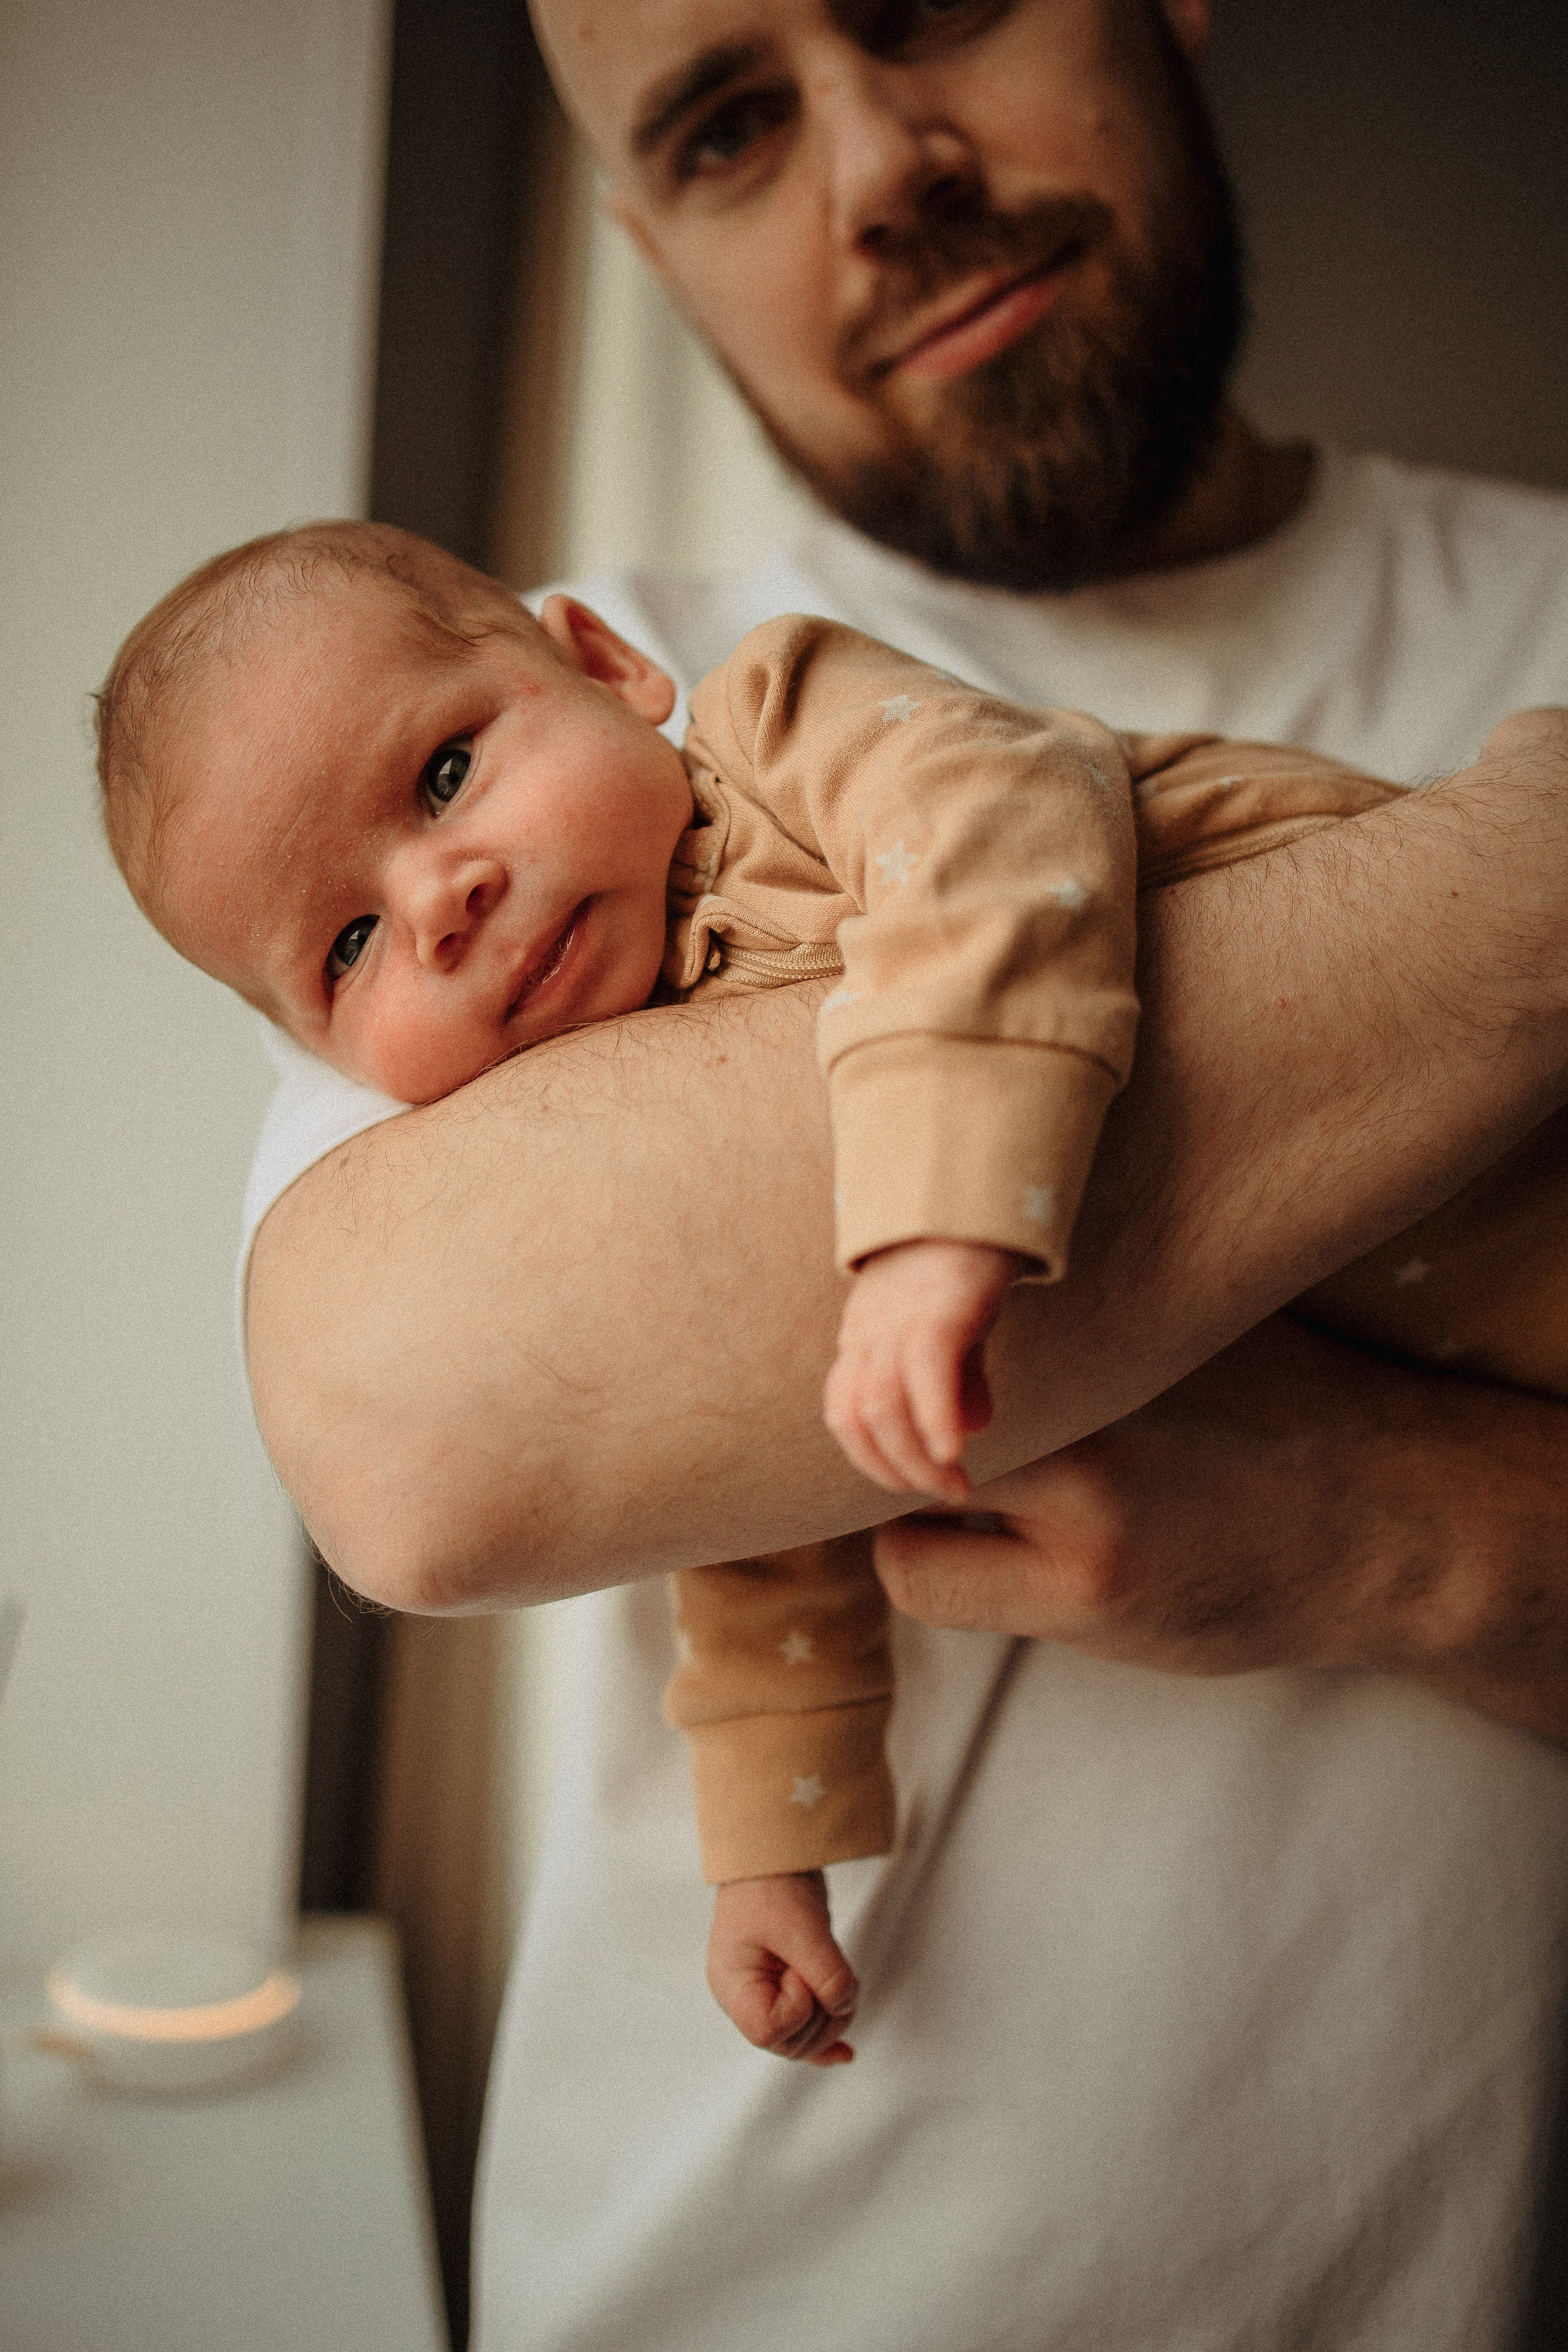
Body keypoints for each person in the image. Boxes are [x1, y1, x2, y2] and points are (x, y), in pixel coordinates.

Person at [238, 1, 1568, 2344]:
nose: (879, 171)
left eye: (936, 0)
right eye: (730, 127)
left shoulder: (701, 716)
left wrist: (1394, 1527)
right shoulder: (458, 832)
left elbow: (997, 827)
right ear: (652, 244)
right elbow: (433, 1453)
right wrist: (775, 1849)